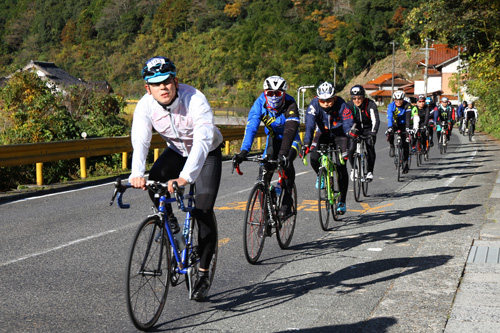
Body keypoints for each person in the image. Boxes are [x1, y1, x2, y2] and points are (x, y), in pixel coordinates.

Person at [129, 56, 223, 301]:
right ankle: (170, 225)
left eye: (167, 81)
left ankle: (203, 271)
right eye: (155, 83)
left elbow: (202, 141)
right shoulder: (145, 105)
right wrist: (136, 173)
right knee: (155, 181)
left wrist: (184, 179)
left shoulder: (196, 100)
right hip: (178, 151)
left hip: (206, 153)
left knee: (203, 209)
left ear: (176, 81)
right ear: (147, 88)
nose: (163, 87)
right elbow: (141, 139)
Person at [233, 76, 300, 218]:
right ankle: (266, 215)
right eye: (270, 93)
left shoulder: (290, 102)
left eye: (278, 93)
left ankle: (288, 200)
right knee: (263, 171)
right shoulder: (259, 103)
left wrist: (282, 153)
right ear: (265, 92)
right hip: (273, 138)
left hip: (291, 139)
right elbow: (251, 127)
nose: (274, 96)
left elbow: (290, 130)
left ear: (283, 93)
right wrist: (244, 151)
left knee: (286, 161)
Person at [302, 81, 353, 214]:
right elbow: (309, 126)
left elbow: (348, 122)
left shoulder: (341, 104)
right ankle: (321, 175)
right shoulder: (313, 105)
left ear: (334, 98)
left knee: (341, 167)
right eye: (322, 100)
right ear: (318, 99)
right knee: (313, 156)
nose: (325, 103)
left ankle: (342, 201)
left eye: (329, 100)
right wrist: (306, 143)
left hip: (339, 134)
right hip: (322, 133)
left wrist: (350, 133)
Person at [345, 85, 380, 181]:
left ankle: (369, 172)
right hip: (356, 129)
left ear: (363, 97)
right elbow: (346, 120)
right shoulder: (349, 106)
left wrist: (373, 132)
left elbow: (375, 120)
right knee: (351, 149)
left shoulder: (370, 104)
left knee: (370, 147)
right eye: (354, 98)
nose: (357, 100)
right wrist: (348, 131)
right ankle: (354, 168)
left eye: (359, 98)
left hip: (369, 129)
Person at [386, 90, 411, 173]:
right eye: (396, 100)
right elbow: (389, 117)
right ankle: (392, 145)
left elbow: (408, 118)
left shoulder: (407, 105)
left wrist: (407, 128)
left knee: (405, 144)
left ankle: (405, 162)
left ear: (403, 99)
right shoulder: (391, 106)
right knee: (390, 133)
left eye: (400, 100)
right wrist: (389, 127)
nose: (398, 102)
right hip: (394, 123)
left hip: (404, 124)